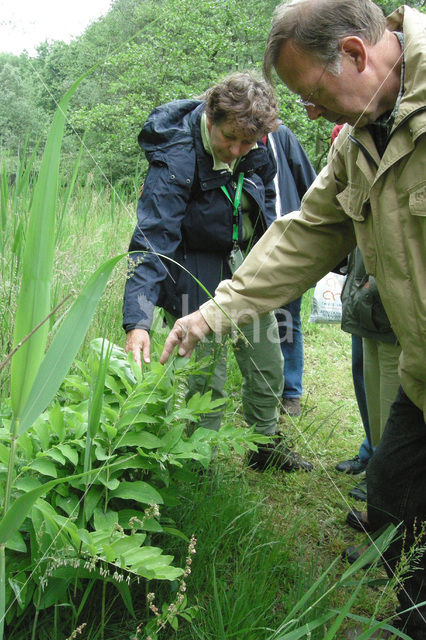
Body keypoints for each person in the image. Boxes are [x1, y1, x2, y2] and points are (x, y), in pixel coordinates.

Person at [160, 1, 426, 636]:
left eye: (310, 92)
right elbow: (304, 233)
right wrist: (213, 314)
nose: (306, 112)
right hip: (423, 373)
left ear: (358, 56)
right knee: (393, 493)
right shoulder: (363, 136)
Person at [123, 71, 312, 472]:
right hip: (194, 268)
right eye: (231, 139)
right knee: (207, 372)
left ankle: (265, 446)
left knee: (267, 357)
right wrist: (137, 321)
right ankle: (198, 464)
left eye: (249, 143)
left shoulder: (254, 145)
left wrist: (268, 264)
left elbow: (266, 199)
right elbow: (151, 240)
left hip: (243, 263)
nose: (238, 150)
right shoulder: (175, 156)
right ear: (211, 116)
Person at [266, 125, 316, 418]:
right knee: (255, 322)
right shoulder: (234, 141)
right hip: (249, 244)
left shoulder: (280, 136)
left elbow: (309, 183)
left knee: (287, 318)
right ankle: (264, 386)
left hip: (286, 243)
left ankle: (290, 392)